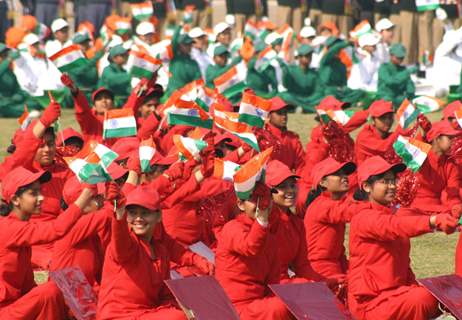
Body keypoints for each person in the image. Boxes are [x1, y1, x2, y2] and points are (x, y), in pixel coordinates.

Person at [348, 155, 457, 320]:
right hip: (371, 304)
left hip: (397, 295)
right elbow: (394, 226)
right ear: (366, 187)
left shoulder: (393, 215)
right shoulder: (363, 217)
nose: (392, 186)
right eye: (384, 181)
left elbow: (404, 266)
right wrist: (432, 221)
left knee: (443, 291)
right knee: (423, 297)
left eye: (393, 181)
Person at [0, 166, 95, 319]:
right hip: (5, 311)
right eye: (33, 193)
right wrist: (87, 194)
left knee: (64, 282)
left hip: (16, 306)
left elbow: (28, 287)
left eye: (40, 191)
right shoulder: (8, 228)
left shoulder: (20, 228)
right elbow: (57, 229)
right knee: (53, 288)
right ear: (15, 200)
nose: (41, 197)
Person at [97, 186, 190, 320]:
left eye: (145, 213)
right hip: (117, 316)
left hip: (148, 313)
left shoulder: (161, 251)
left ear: (158, 216)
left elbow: (165, 295)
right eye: (133, 213)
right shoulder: (127, 244)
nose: (138, 218)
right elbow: (119, 238)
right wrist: (120, 215)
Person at [215, 183, 292, 319]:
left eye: (266, 197)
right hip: (233, 308)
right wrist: (261, 221)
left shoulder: (270, 238)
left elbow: (273, 282)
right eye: (255, 198)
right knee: (279, 306)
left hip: (259, 303)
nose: (262, 203)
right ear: (240, 204)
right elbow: (250, 247)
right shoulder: (232, 228)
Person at [304, 158, 360, 287]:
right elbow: (349, 211)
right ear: (323, 182)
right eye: (338, 174)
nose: (344, 177)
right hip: (320, 270)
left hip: (335, 266)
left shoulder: (333, 202)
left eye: (345, 174)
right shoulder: (322, 205)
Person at [265, 160, 320, 283]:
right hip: (266, 285)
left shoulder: (297, 223)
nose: (290, 190)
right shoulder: (266, 222)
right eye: (282, 186)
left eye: (292, 185)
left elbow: (302, 265)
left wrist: (322, 282)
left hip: (285, 282)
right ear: (268, 191)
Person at [409, 121, 462, 214]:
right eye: (450, 138)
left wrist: (456, 207)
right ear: (437, 139)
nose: (454, 142)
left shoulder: (451, 164)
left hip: (438, 207)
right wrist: (421, 135)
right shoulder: (422, 155)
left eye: (455, 138)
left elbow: (453, 193)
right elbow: (411, 152)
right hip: (415, 207)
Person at [355, 99, 410, 164]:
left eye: (390, 117)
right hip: (368, 173)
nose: (387, 121)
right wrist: (400, 130)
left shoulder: (389, 136)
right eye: (382, 117)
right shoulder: (364, 136)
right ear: (373, 120)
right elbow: (384, 148)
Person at [319, 37, 365, 105]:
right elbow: (332, 50)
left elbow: (344, 84)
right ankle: (343, 103)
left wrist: (343, 89)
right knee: (329, 94)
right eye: (336, 47)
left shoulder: (341, 65)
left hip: (339, 91)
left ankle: (343, 103)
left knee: (360, 92)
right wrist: (345, 43)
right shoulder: (325, 61)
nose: (337, 50)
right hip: (327, 91)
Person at [265, 97, 305, 174]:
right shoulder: (261, 136)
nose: (284, 116)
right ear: (268, 115)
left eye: (285, 113)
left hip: (286, 183)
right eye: (279, 113)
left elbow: (301, 166)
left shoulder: (293, 139)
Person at [279, 44, 323, 113]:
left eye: (310, 56)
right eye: (307, 56)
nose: (309, 58)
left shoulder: (314, 73)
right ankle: (310, 109)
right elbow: (286, 85)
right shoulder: (291, 70)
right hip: (295, 97)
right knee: (285, 96)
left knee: (325, 96)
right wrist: (285, 73)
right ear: (299, 57)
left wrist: (309, 99)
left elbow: (318, 91)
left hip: (310, 99)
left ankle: (300, 107)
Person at [377, 43, 416, 108]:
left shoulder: (403, 69)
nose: (400, 59)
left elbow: (409, 88)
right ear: (391, 55)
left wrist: (410, 94)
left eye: (402, 58)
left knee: (417, 100)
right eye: (398, 57)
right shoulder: (384, 68)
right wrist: (406, 73)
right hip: (385, 97)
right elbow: (390, 81)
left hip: (399, 98)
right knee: (388, 102)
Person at [165, 28, 202, 97]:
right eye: (186, 44)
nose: (189, 47)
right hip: (171, 95)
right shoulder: (174, 57)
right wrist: (180, 26)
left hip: (186, 97)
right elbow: (173, 42)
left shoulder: (193, 63)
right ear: (180, 45)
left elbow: (198, 81)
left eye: (190, 44)